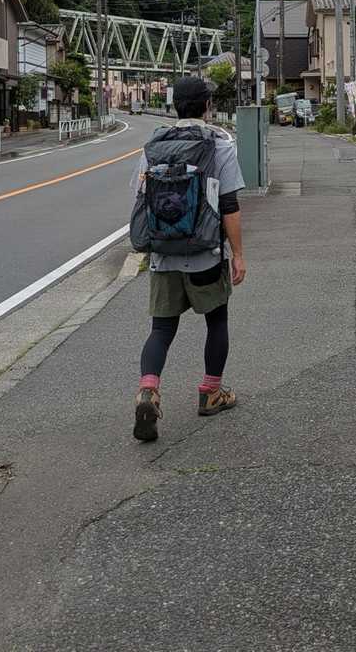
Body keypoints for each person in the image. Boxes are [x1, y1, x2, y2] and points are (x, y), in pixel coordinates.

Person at [129, 76, 247, 442]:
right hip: (205, 254)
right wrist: (238, 254)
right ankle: (211, 392)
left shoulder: (153, 147)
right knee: (217, 320)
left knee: (161, 329)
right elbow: (229, 205)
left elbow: (140, 198)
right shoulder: (219, 144)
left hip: (163, 254)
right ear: (208, 106)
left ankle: (148, 390)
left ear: (174, 105)